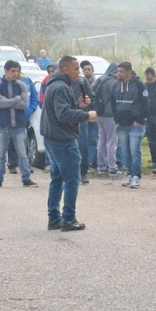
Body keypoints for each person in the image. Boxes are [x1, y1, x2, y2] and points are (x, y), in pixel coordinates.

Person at [41, 55, 97, 231]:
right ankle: (68, 218)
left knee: (57, 179)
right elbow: (63, 115)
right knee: (72, 179)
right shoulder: (60, 87)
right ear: (65, 69)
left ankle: (54, 218)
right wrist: (86, 115)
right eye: (76, 69)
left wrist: (78, 106)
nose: (78, 72)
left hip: (52, 137)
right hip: (62, 139)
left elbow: (63, 110)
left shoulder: (54, 84)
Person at [0, 59, 36, 188]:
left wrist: (9, 100)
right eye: (12, 71)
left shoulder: (22, 85)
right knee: (0, 155)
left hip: (19, 125)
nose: (15, 74)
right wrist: (16, 99)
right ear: (6, 71)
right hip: (2, 125)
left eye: (17, 71)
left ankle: (26, 178)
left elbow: (24, 105)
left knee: (23, 154)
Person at [112, 61, 148, 189]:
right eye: (118, 71)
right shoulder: (116, 85)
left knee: (134, 150)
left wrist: (139, 120)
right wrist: (115, 120)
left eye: (121, 71)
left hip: (135, 125)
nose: (119, 74)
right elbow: (112, 102)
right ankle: (129, 174)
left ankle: (136, 176)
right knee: (126, 151)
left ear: (129, 71)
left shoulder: (139, 85)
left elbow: (145, 104)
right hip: (121, 125)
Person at [93, 62, 120, 175]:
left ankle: (101, 166)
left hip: (99, 114)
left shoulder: (99, 79)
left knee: (102, 140)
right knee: (111, 141)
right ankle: (112, 167)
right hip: (109, 115)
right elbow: (116, 99)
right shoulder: (113, 82)